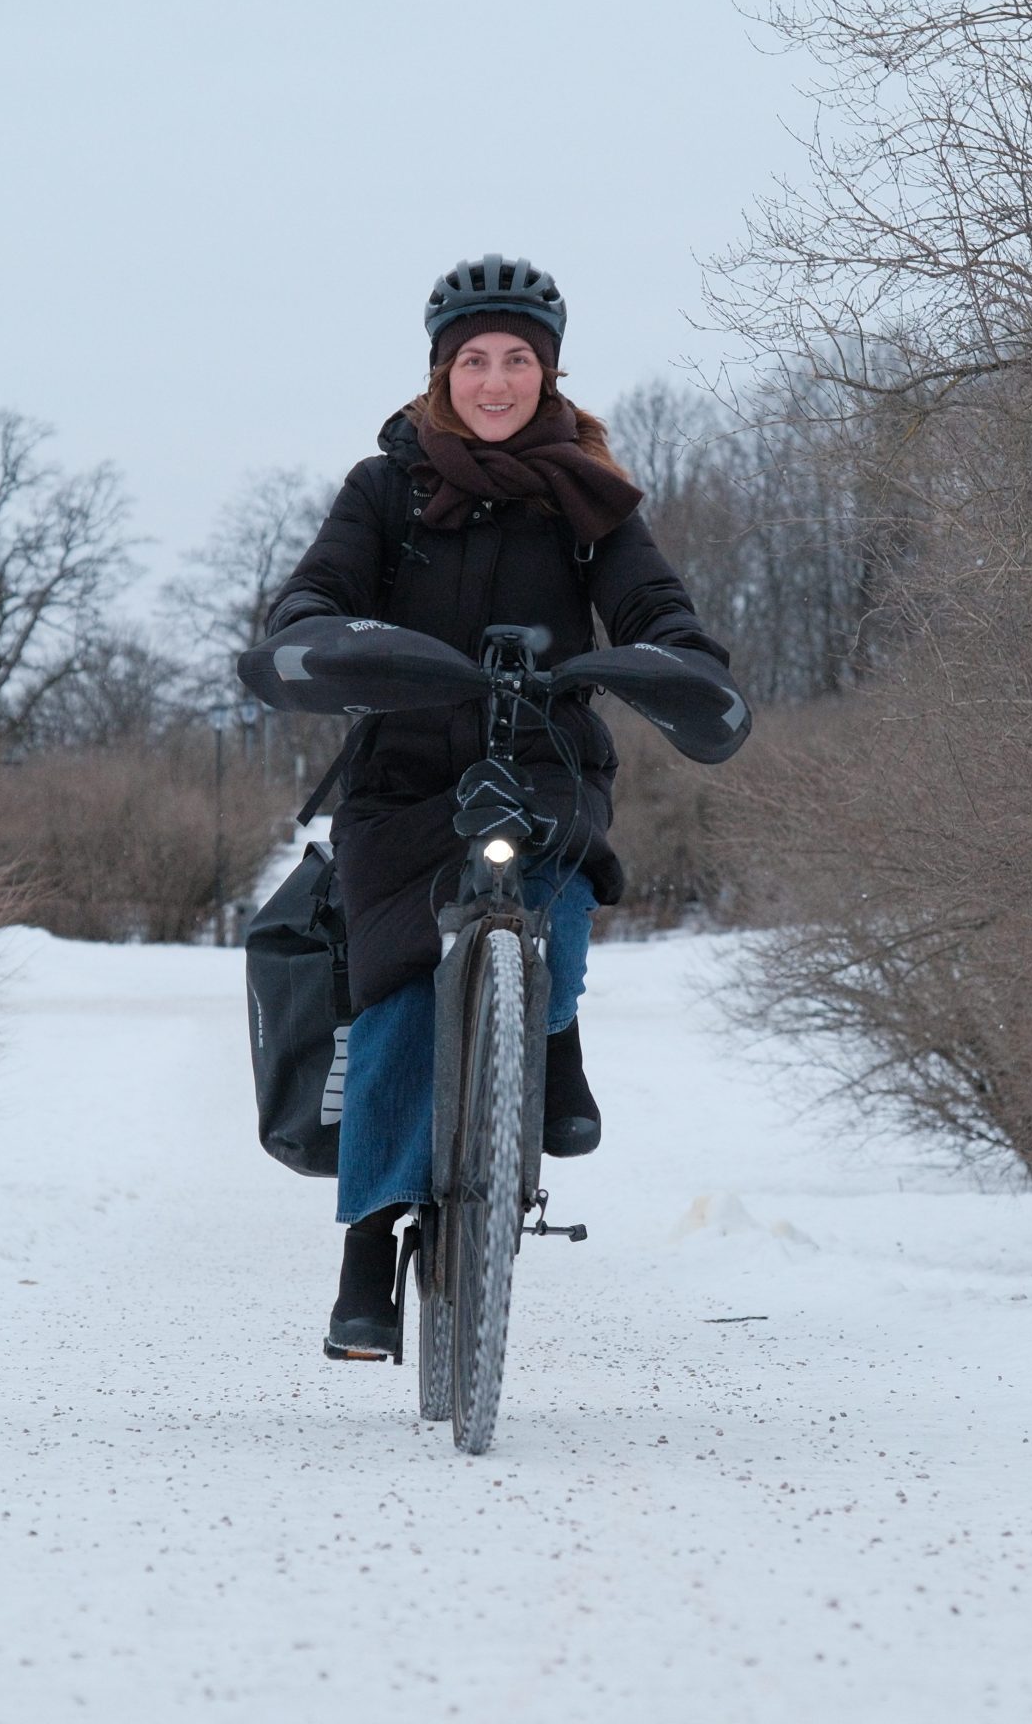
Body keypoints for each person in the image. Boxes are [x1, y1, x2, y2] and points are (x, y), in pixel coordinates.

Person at [262, 254, 734, 1360]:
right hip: (405, 778)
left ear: (548, 371)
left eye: (516, 358)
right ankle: (370, 1245)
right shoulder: (383, 488)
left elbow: (651, 600)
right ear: (441, 371)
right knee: (393, 990)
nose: (494, 378)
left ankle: (549, 1032)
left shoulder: (591, 498)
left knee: (555, 913)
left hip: (544, 760)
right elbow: (319, 586)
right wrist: (311, 633)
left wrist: (681, 654)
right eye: (472, 359)